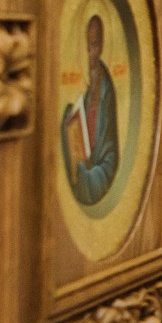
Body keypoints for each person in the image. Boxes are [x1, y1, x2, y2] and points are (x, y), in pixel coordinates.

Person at [61, 13, 119, 206]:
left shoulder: (106, 88)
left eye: (94, 46)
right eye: (87, 46)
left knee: (86, 176)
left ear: (101, 47)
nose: (90, 53)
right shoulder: (90, 81)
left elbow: (107, 144)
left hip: (103, 164)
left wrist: (89, 164)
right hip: (88, 157)